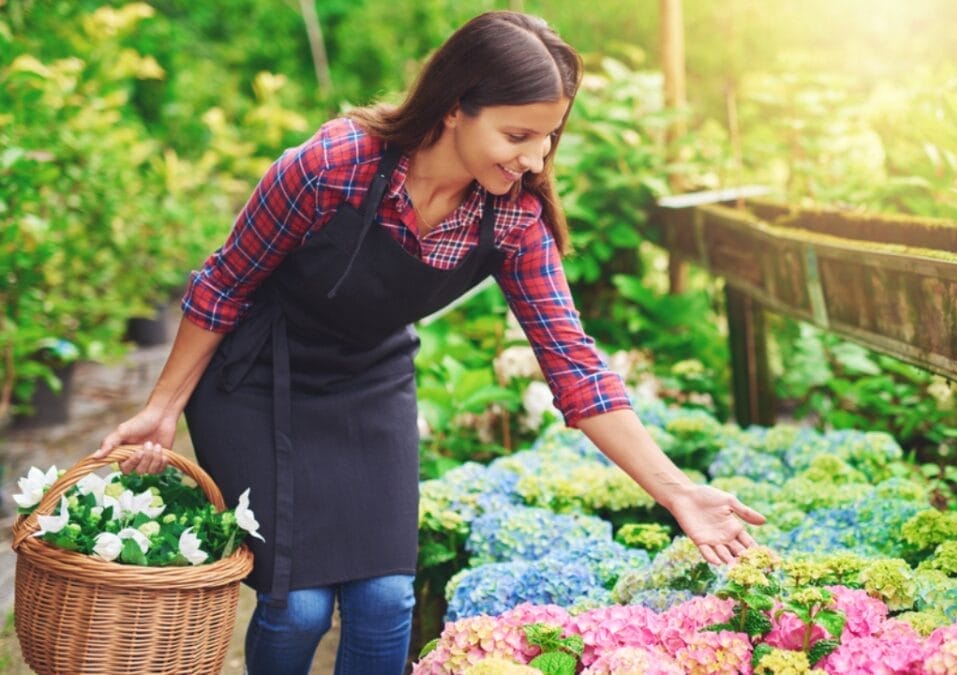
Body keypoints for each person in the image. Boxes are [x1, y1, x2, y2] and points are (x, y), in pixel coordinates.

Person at [96, 10, 765, 674]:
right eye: (518, 134)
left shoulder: (512, 219)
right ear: (454, 108)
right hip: (255, 375)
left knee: (386, 598)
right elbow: (223, 284)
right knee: (297, 605)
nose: (535, 158)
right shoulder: (336, 165)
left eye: (549, 138)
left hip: (368, 376)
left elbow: (575, 368)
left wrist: (678, 492)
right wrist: (161, 407)